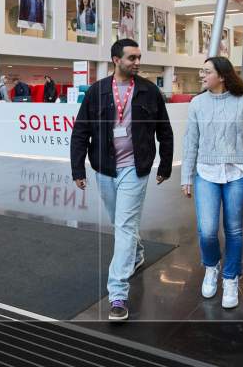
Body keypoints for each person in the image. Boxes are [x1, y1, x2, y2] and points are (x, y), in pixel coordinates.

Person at [70, 38, 174, 321]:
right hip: (104, 168)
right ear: (116, 60)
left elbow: (164, 131)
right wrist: (77, 169)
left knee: (125, 226)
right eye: (132, 58)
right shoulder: (97, 91)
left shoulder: (149, 91)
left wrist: (165, 164)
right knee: (121, 223)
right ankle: (138, 254)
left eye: (139, 57)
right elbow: (80, 131)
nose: (137, 62)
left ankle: (118, 294)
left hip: (135, 169)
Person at [181, 56, 243, 309]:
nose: (201, 75)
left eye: (206, 71)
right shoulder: (197, 103)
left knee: (234, 230)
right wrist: (186, 176)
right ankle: (211, 266)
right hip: (206, 173)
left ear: (222, 75)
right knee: (207, 230)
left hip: (237, 172)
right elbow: (190, 142)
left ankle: (230, 278)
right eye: (201, 71)